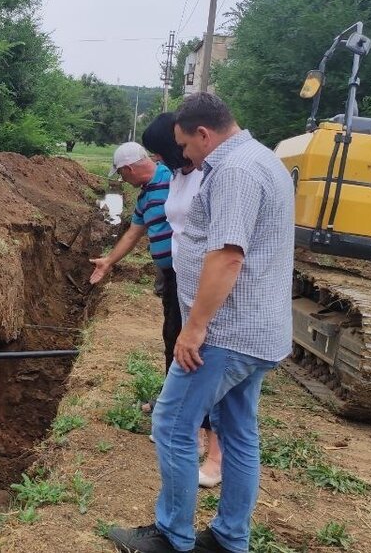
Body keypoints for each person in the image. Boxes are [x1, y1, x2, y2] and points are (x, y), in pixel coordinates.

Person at [109, 93, 294, 553]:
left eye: (184, 145)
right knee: (238, 433)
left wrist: (194, 328)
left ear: (204, 134)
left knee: (172, 423)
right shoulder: (260, 158)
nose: (182, 156)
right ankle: (230, 538)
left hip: (224, 335)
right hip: (255, 331)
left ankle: (172, 538)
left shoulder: (235, 172)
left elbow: (228, 256)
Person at [140, 113, 223, 489]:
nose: (166, 159)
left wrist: (199, 321)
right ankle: (185, 431)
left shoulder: (214, 175)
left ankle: (213, 456)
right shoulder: (178, 175)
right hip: (180, 283)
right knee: (174, 343)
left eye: (171, 149)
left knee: (209, 368)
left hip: (205, 290)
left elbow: (227, 253)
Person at [89, 141, 173, 293]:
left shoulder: (173, 178)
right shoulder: (143, 198)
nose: (122, 179)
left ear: (129, 169)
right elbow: (131, 235)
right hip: (168, 276)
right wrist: (108, 261)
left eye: (120, 173)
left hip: (190, 272)